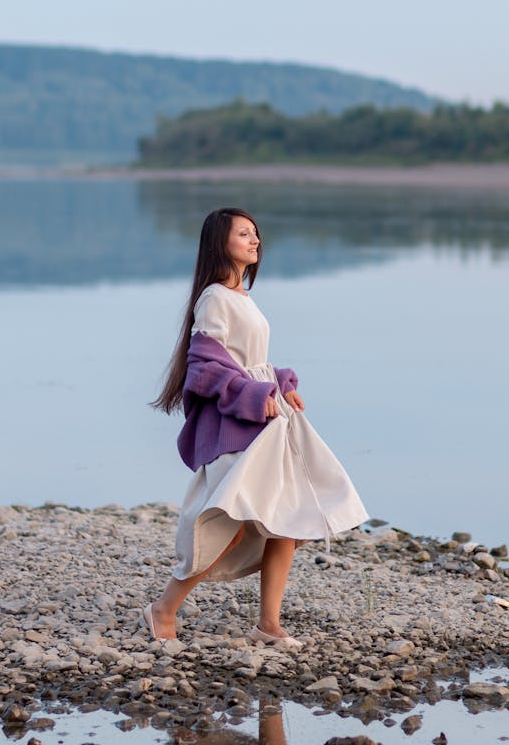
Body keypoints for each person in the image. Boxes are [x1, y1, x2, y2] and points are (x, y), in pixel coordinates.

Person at [143, 207, 367, 648]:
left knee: (287, 521)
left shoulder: (242, 297)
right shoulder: (214, 299)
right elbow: (205, 368)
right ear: (219, 243)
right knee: (227, 524)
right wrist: (255, 396)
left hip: (267, 422)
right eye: (243, 234)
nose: (255, 241)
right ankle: (162, 609)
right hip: (237, 426)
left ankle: (269, 624)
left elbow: (249, 362)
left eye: (256, 234)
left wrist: (280, 385)